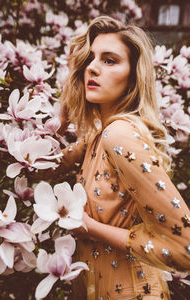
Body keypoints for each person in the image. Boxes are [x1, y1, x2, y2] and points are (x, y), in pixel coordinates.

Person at [37, 16, 190, 299]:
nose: (92, 67)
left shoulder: (118, 135)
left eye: (109, 60)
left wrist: (91, 227)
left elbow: (184, 249)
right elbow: (38, 173)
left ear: (133, 76)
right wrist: (60, 125)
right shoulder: (97, 136)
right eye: (91, 58)